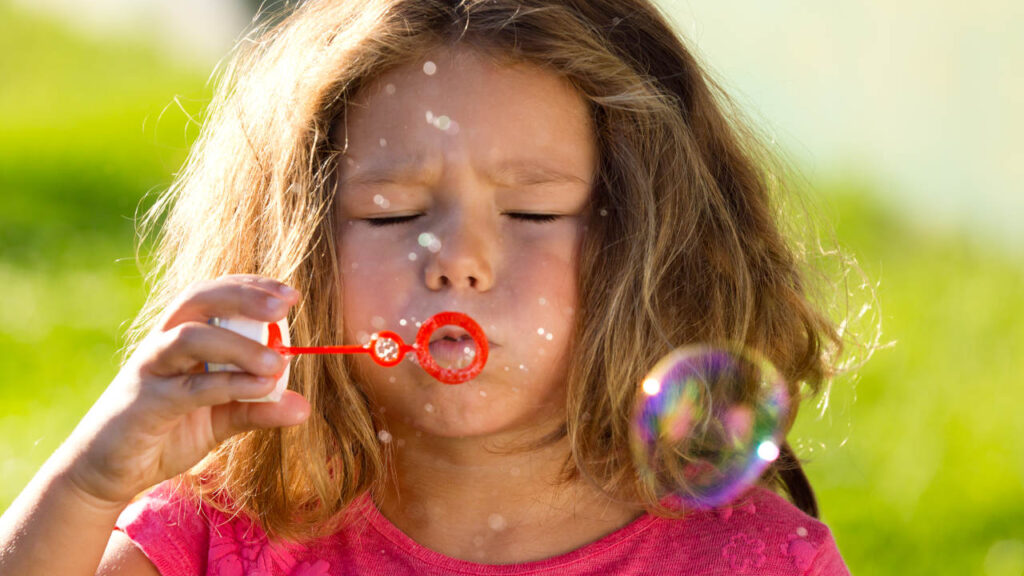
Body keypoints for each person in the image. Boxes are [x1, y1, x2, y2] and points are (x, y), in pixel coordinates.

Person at [0, 0, 855, 573]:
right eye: (389, 212)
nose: (456, 259)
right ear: (294, 248)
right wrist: (88, 486)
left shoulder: (752, 559)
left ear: (644, 243)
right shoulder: (227, 538)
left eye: (531, 211)